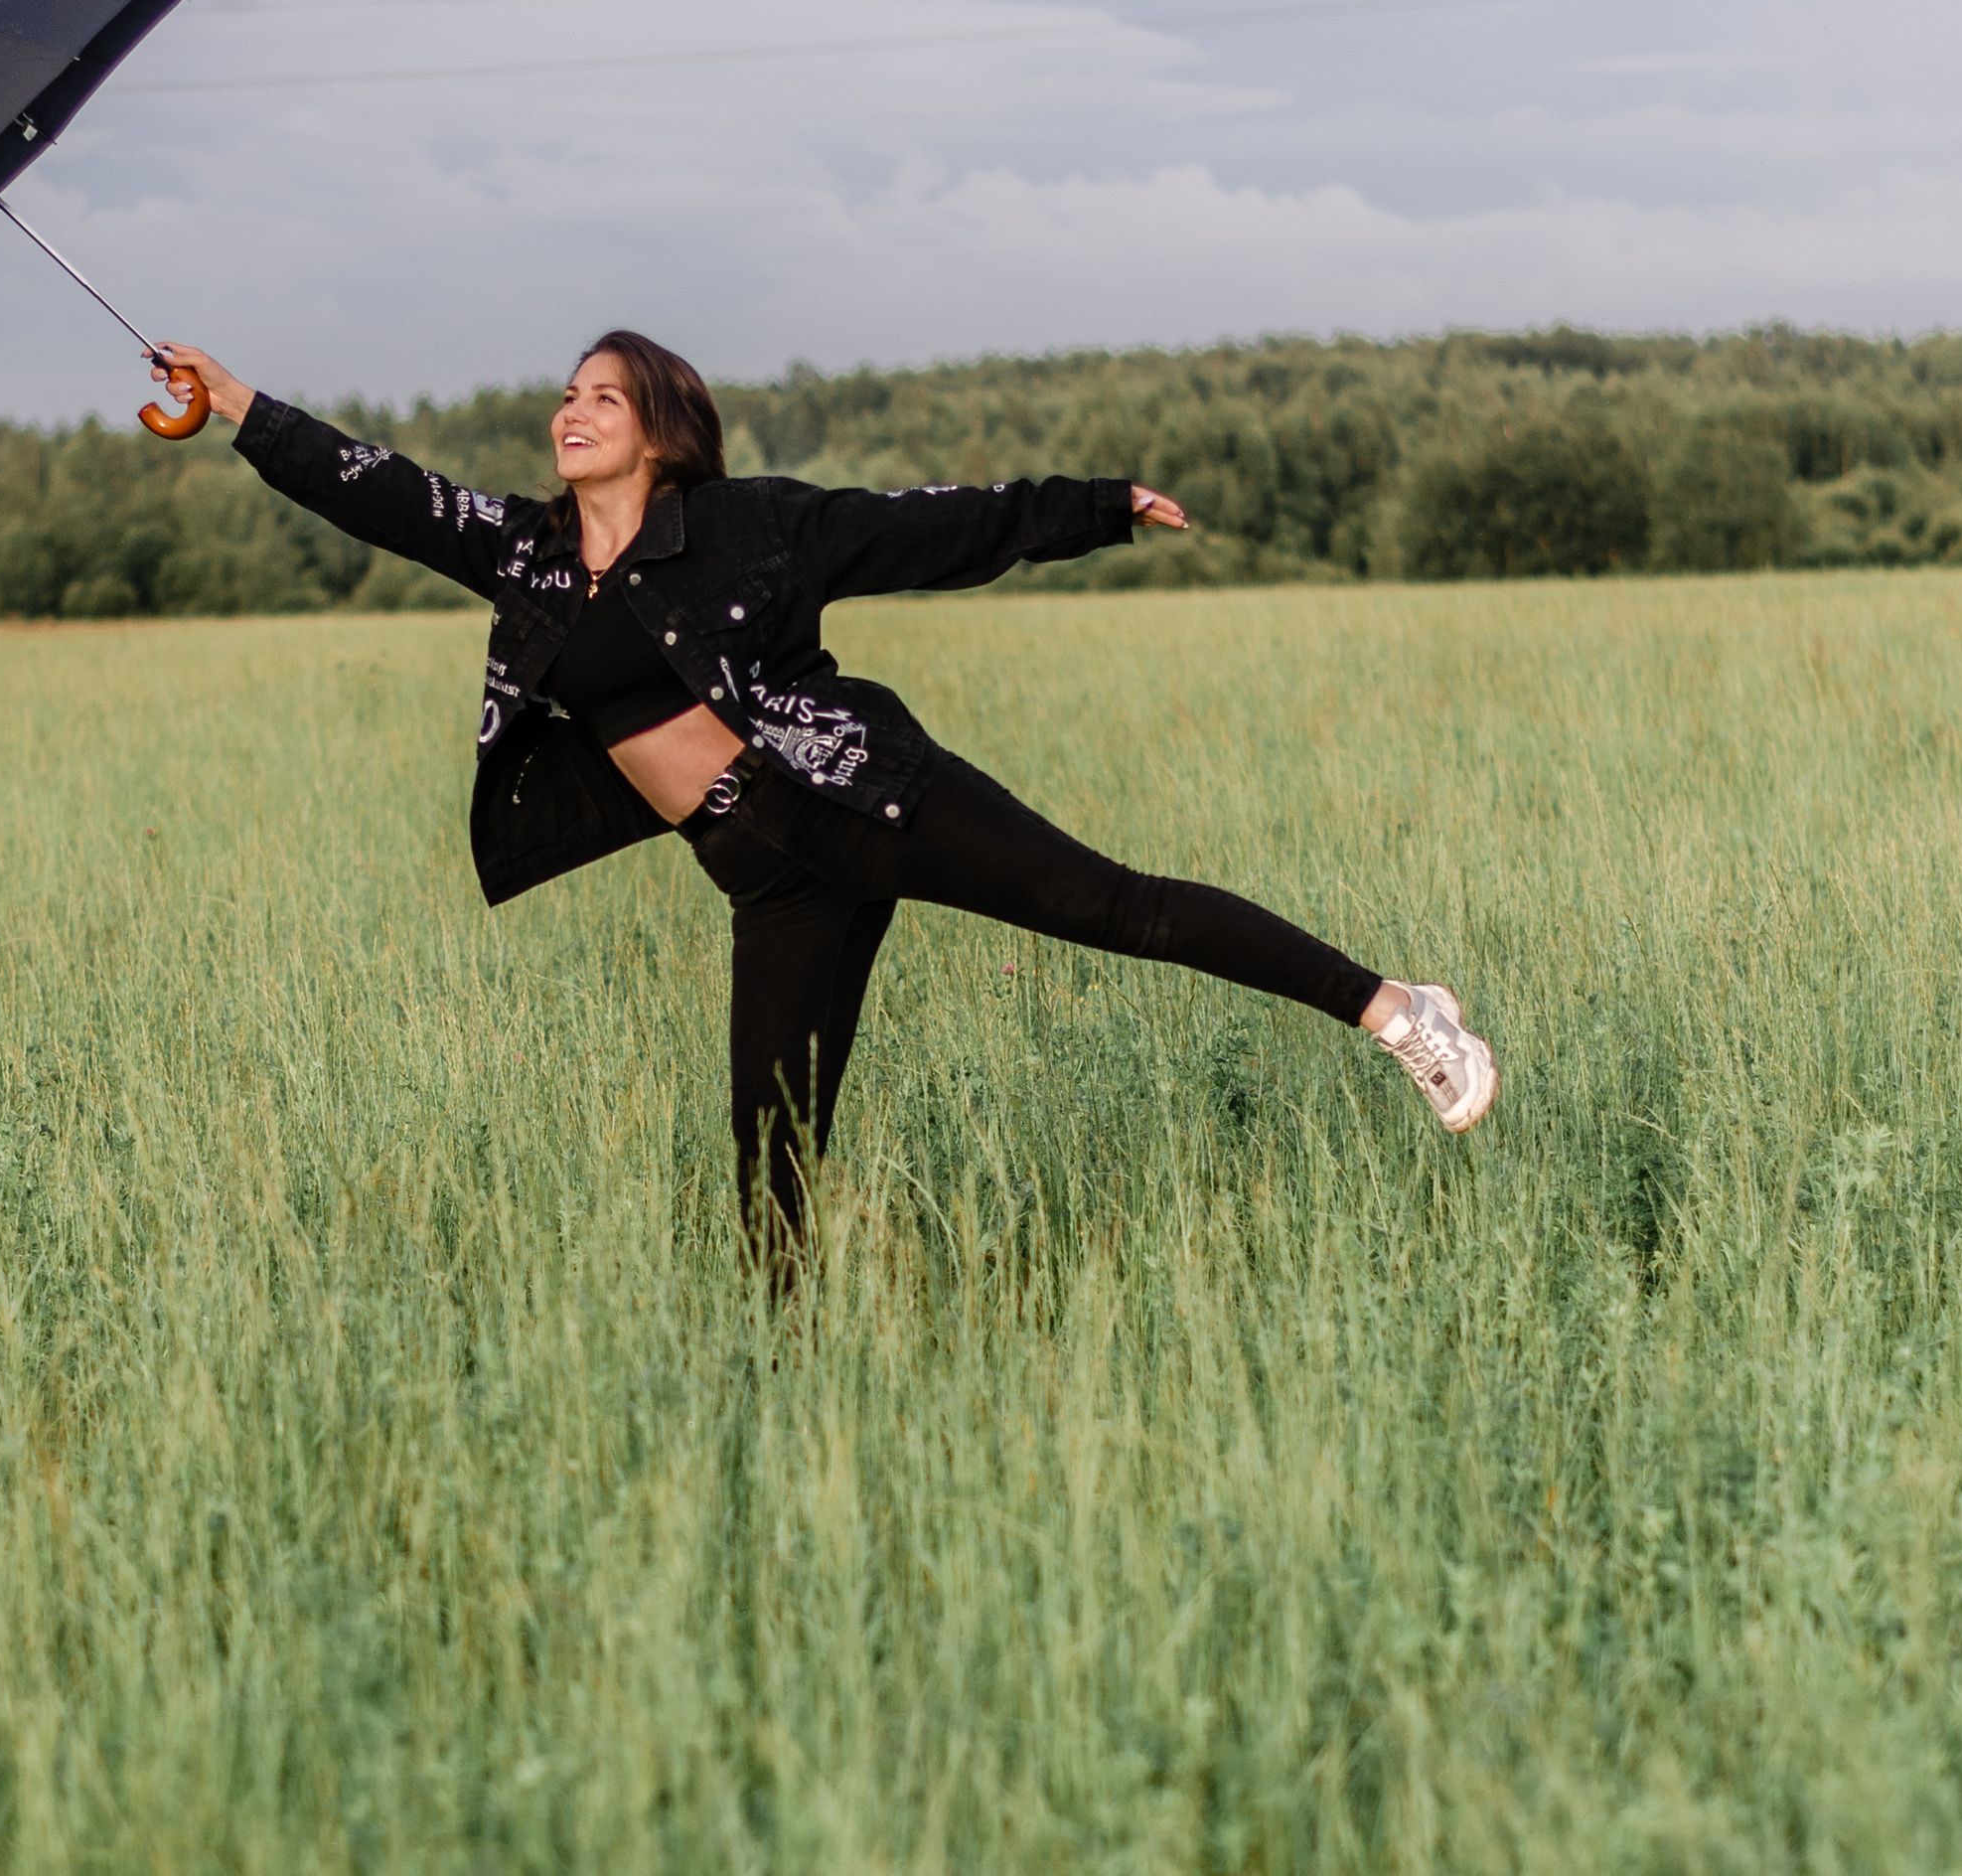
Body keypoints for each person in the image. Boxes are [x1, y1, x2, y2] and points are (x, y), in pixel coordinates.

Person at [152, 328, 1497, 1257]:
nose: (571, 412)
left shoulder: (752, 528)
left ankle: (1395, 1009)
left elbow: (922, 526)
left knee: (1114, 905)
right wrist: (236, 405)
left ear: (663, 431)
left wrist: (1089, 506)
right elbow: (379, 491)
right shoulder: (528, 554)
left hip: (865, 796)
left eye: (603, 398)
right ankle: (783, 1393)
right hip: (763, 868)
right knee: (772, 1155)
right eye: (567, 394)